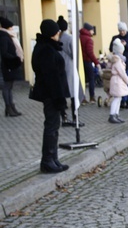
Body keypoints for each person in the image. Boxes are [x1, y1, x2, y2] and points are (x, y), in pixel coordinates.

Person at [31, 19, 70, 173]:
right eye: (56, 31)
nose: (59, 33)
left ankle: (53, 158)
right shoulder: (46, 50)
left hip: (52, 93)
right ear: (51, 33)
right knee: (51, 127)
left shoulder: (46, 47)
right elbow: (51, 77)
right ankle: (47, 160)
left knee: (54, 127)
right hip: (51, 94)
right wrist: (59, 99)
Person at [57, 15, 85, 127]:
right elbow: (75, 54)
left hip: (59, 68)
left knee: (62, 94)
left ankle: (64, 117)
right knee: (73, 93)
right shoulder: (70, 38)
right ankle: (75, 117)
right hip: (70, 67)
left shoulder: (56, 38)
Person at [0, 16, 24, 117]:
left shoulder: (7, 35)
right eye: (11, 27)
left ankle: (11, 107)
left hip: (9, 65)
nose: (12, 29)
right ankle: (9, 108)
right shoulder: (4, 36)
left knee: (9, 87)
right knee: (6, 87)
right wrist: (15, 59)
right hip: (7, 66)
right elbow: (4, 52)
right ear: (7, 28)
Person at [109, 22, 128, 109]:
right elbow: (111, 48)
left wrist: (126, 45)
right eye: (120, 30)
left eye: (123, 30)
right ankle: (123, 101)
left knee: (126, 83)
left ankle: (127, 100)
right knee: (120, 83)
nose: (122, 32)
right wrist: (118, 45)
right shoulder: (115, 38)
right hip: (118, 62)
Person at [107, 38, 128, 123]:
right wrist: (127, 80)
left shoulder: (115, 59)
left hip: (117, 80)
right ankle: (112, 115)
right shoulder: (118, 60)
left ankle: (116, 114)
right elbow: (122, 72)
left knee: (118, 98)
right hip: (117, 81)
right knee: (117, 98)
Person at [79, 22, 101, 104]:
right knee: (91, 79)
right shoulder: (88, 39)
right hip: (87, 61)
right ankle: (92, 97)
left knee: (82, 80)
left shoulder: (78, 37)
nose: (93, 32)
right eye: (92, 30)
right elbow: (90, 52)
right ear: (88, 30)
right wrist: (96, 62)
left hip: (80, 62)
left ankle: (82, 98)